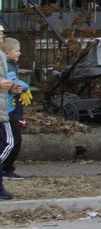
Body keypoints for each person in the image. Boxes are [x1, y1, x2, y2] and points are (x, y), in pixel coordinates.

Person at [1, 38, 26, 181]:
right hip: (8, 110)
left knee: (12, 140)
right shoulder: (7, 66)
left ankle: (7, 168)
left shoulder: (11, 65)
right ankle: (6, 168)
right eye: (17, 50)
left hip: (12, 107)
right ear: (7, 52)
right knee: (13, 140)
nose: (20, 53)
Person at [0, 25, 19, 200]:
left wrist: (12, 88)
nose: (2, 36)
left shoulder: (1, 56)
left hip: (3, 108)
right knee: (9, 142)